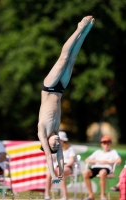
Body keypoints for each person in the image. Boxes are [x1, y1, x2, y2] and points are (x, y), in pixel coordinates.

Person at [37, 16, 95, 184]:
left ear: (47, 143)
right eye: (57, 145)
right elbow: (59, 155)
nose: (56, 143)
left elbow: (49, 155)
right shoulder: (57, 132)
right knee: (72, 60)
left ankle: (79, 28)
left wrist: (54, 175)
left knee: (63, 58)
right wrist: (61, 171)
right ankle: (85, 33)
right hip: (60, 89)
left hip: (49, 88)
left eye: (53, 144)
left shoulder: (43, 131)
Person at [82, 135, 122, 200]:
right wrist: (99, 161)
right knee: (85, 172)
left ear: (110, 144)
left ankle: (102, 195)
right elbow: (87, 159)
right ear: (102, 144)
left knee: (102, 173)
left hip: (107, 168)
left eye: (107, 143)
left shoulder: (113, 152)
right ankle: (91, 195)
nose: (106, 145)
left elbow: (119, 160)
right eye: (104, 143)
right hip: (96, 167)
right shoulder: (98, 152)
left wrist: (108, 162)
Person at [45, 131, 75, 200]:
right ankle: (47, 195)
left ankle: (65, 196)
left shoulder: (70, 149)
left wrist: (64, 166)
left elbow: (71, 161)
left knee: (60, 171)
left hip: (67, 166)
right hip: (57, 167)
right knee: (49, 173)